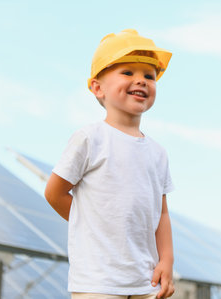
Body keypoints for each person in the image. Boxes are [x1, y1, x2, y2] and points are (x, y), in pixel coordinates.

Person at [44, 29, 175, 299]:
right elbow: (54, 193)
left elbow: (161, 214)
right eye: (128, 72)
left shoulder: (159, 153)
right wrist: (95, 225)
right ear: (97, 87)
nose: (141, 81)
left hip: (145, 279)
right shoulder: (89, 138)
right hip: (98, 280)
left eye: (149, 76)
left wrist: (166, 262)